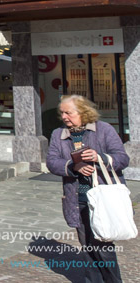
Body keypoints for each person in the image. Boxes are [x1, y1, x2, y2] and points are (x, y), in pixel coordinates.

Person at [47, 95, 128, 283]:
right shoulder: (58, 134)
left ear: (83, 112)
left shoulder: (104, 130)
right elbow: (52, 161)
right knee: (87, 247)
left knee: (103, 246)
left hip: (104, 199)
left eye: (69, 112)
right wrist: (72, 167)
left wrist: (100, 158)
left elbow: (122, 158)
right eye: (62, 113)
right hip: (78, 200)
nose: (65, 117)